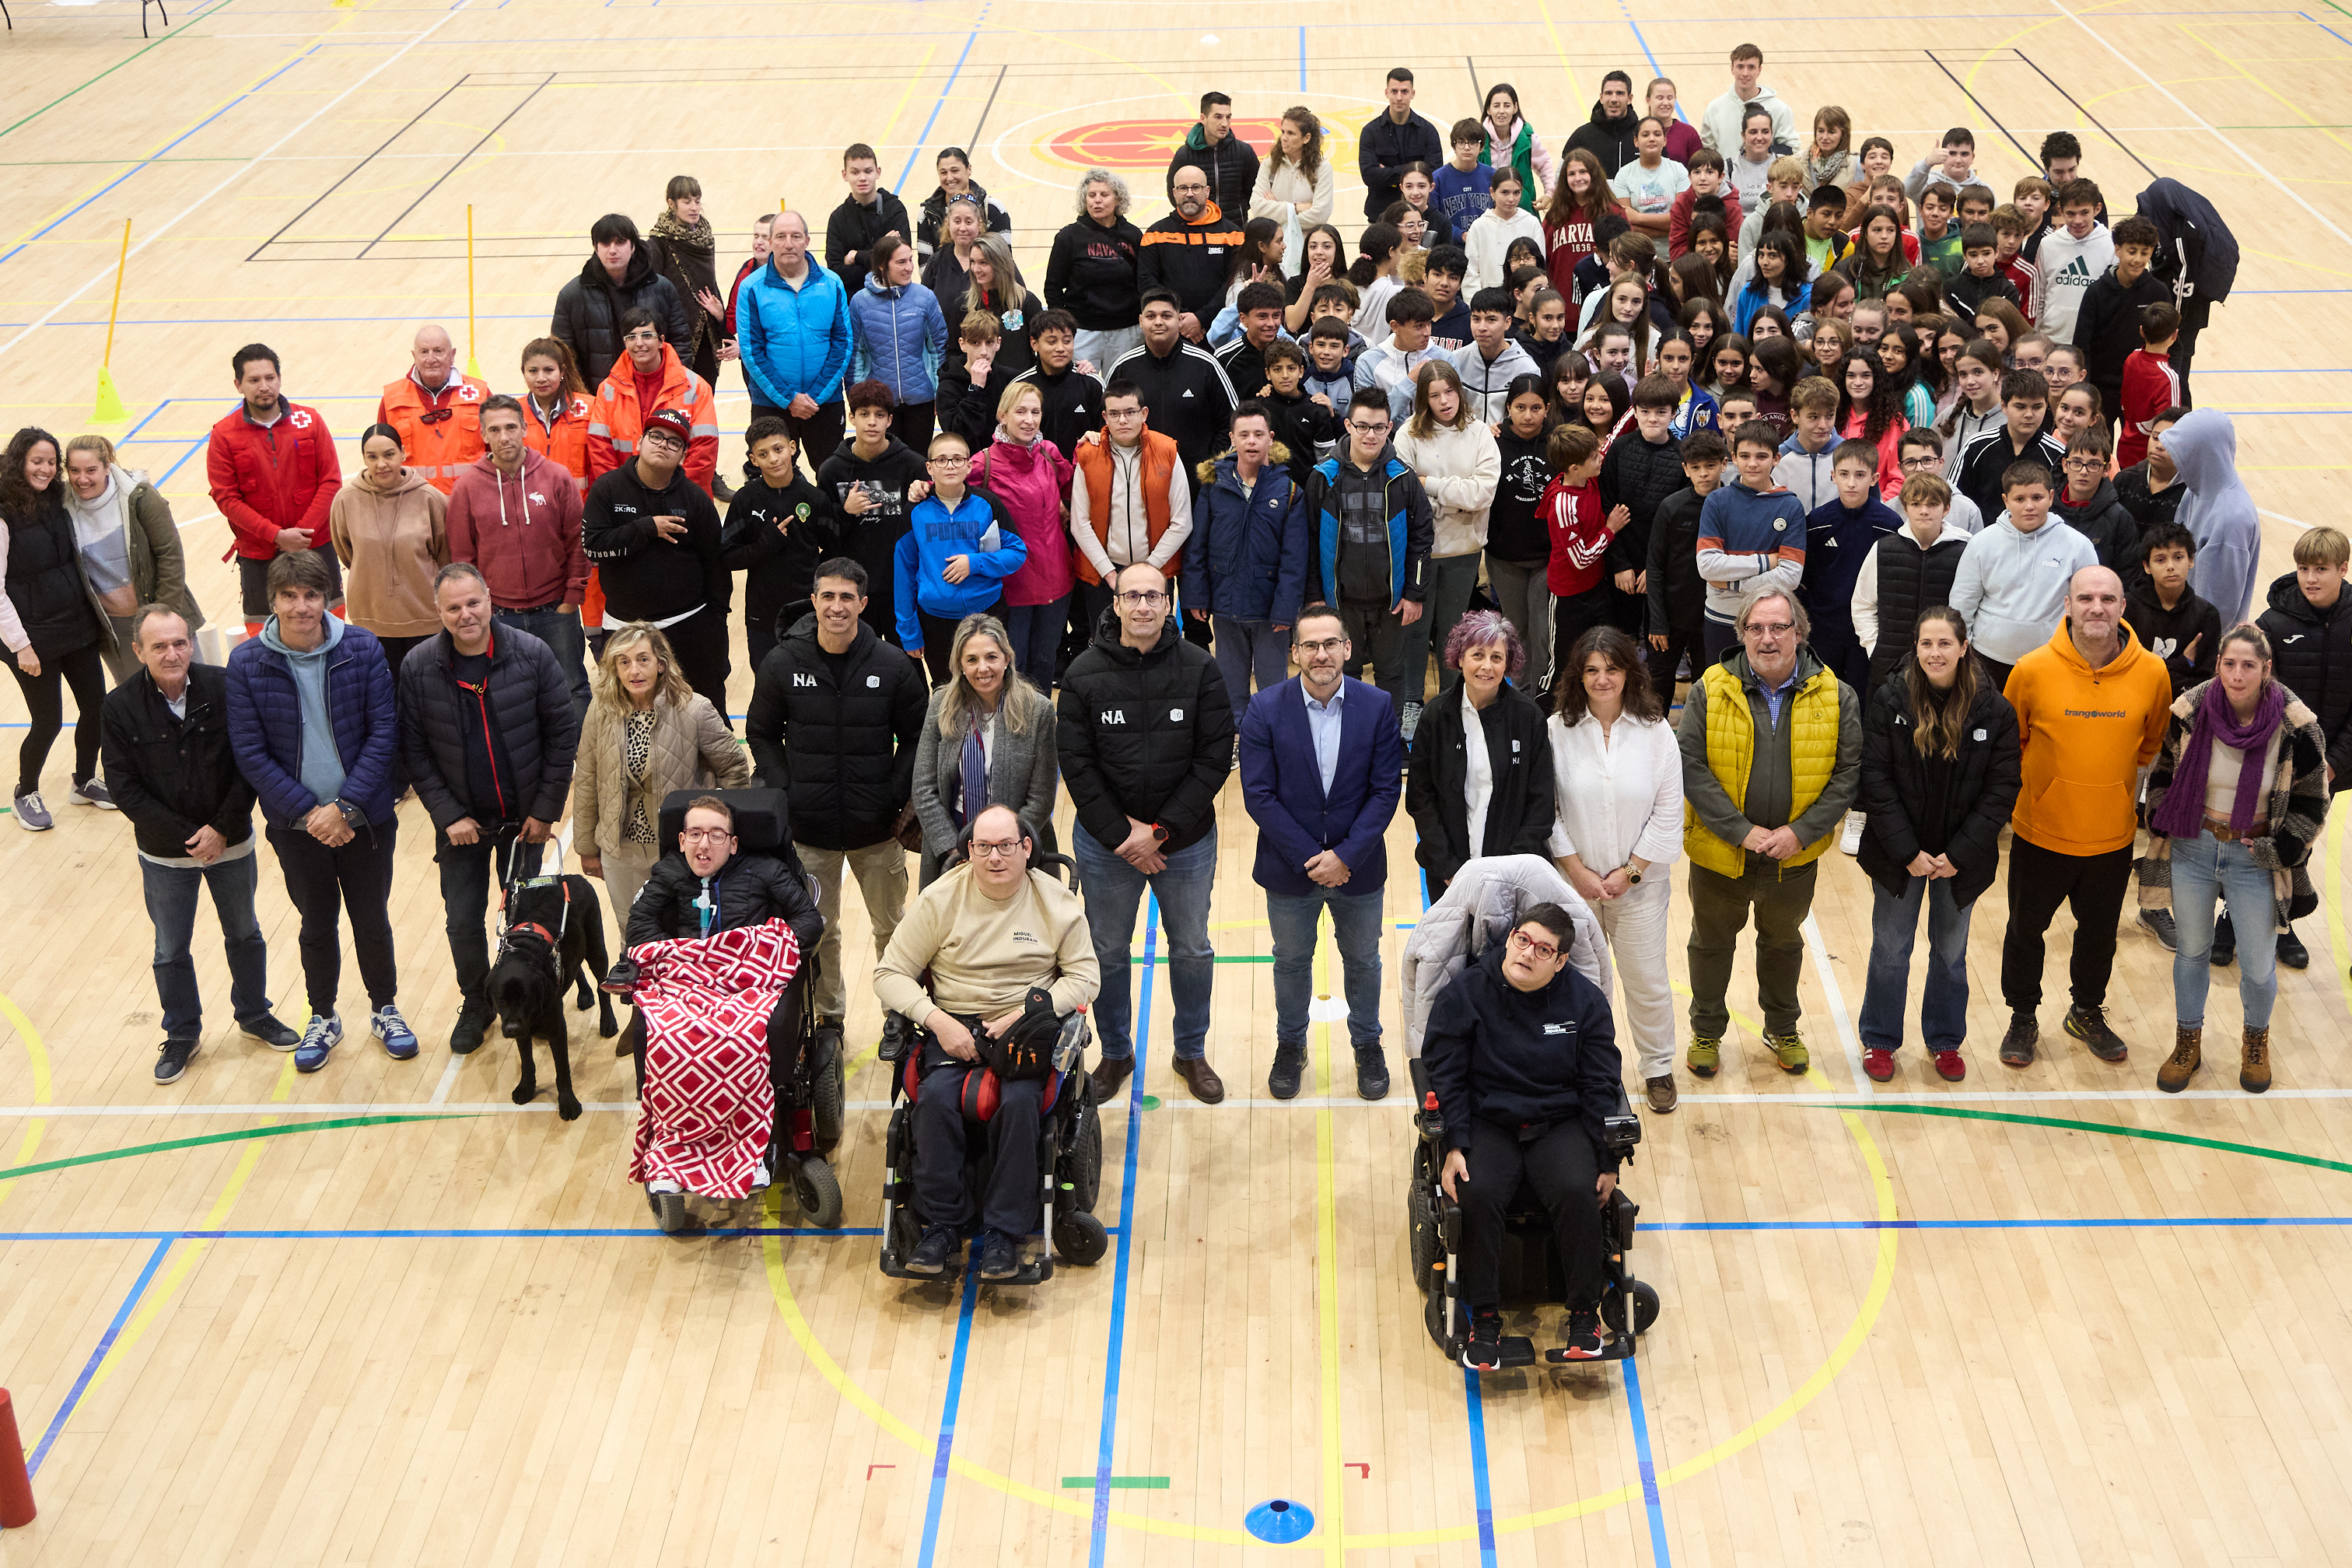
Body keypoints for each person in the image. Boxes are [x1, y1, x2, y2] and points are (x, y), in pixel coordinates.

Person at [874, 803, 1101, 1279]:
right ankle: (941, 1225)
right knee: (934, 1099)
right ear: (969, 851)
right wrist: (937, 1021)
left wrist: (1028, 1011)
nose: (994, 857)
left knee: (1021, 1103)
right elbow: (890, 973)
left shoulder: (1055, 902)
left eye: (1005, 846)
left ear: (1026, 848)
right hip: (954, 1021)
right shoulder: (941, 900)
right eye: (983, 847)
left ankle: (1004, 1233)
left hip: (1027, 1026)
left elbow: (1084, 977)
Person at [223, 550, 406, 1072]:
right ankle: (323, 1015)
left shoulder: (363, 647)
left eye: (311, 595)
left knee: (372, 919)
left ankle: (384, 1008)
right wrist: (311, 814)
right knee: (316, 924)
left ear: (328, 598)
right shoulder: (246, 663)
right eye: (289, 596)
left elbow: (383, 733)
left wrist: (345, 808)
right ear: (272, 600)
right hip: (295, 826)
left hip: (365, 819)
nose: (302, 607)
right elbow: (251, 753)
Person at [1059, 562, 1234, 1104]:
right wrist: (1123, 835)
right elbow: (1076, 763)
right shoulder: (1083, 673)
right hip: (1106, 844)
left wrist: (1158, 831)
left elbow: (1213, 758)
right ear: (1115, 604)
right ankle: (1116, 1053)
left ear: (1168, 603)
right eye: (1131, 596)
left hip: (1183, 842)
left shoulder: (1201, 668)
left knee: (1192, 950)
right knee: (1107, 952)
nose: (1141, 606)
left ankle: (1190, 1051)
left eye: (1152, 597)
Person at [102, 604, 299, 1083]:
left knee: (245, 933)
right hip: (165, 856)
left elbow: (250, 762)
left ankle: (254, 1015)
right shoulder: (119, 706)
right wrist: (188, 837)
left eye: (180, 642)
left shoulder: (226, 688)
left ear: (191, 642)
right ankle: (182, 1034)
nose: (173, 654)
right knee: (171, 948)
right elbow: (124, 787)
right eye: (160, 646)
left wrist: (222, 828)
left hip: (229, 843)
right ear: (138, 651)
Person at [743, 556, 926, 1063]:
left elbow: (917, 734)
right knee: (819, 930)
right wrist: (787, 789)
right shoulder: (783, 663)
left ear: (864, 604)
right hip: (809, 831)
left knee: (893, 929)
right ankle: (830, 1019)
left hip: (878, 830)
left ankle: (899, 1016)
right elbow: (760, 731)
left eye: (848, 597)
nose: (837, 606)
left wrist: (892, 792)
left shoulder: (891, 666)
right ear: (815, 600)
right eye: (828, 596)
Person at [1426, 899, 1623, 1368]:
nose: (1527, 953)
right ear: (1510, 937)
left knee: (1581, 1189)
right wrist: (1453, 1144)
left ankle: (1583, 1316)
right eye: (1522, 940)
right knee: (1477, 1191)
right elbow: (1445, 1076)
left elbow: (1600, 1083)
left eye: (1543, 949)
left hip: (1559, 1121)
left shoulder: (1585, 1002)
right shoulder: (1466, 994)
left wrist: (1607, 1159)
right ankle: (1485, 1318)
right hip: (1487, 1121)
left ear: (1560, 962)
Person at [1678, 586, 1861, 1078]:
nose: (1767, 638)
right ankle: (1707, 1030)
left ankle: (1782, 1028)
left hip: (1793, 857)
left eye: (1779, 627)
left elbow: (1848, 774)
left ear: (1799, 634)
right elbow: (1691, 765)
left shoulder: (1836, 694)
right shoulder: (1710, 688)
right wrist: (1741, 831)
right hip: (1721, 851)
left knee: (1783, 943)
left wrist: (1801, 834)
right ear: (1740, 634)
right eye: (1755, 628)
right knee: (1710, 943)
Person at [397, 562, 579, 1054]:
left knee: (528, 918)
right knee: (462, 921)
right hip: (461, 828)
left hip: (526, 825)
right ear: (439, 612)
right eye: (453, 608)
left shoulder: (532, 654)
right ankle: (477, 1003)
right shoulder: (417, 667)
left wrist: (544, 811)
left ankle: (532, 996)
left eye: (472, 603)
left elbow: (563, 736)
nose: (465, 615)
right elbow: (413, 751)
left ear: (490, 599)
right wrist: (448, 815)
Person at [1996, 565, 2172, 1066]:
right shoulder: (2030, 670)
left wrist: (2109, 786)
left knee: (2098, 934)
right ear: (2068, 606)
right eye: (2086, 598)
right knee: (2025, 931)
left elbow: (2150, 743)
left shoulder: (2153, 673)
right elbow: (2014, 742)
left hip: (2111, 836)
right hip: (2041, 831)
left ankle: (2087, 1011)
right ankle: (2023, 1017)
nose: (2097, 608)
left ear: (2123, 607)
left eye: (2108, 599)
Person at [2144, 625, 2328, 1096]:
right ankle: (2188, 1043)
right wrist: (2161, 814)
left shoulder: (2297, 723)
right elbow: (2162, 770)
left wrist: (2283, 849)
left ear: (2267, 669)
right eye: (2230, 664)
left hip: (2257, 856)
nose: (2238, 675)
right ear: (2219, 664)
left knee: (2259, 963)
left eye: (2249, 666)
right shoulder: (2190, 709)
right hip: (2195, 847)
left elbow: (2312, 799)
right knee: (2191, 952)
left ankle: (2255, 1043)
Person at [1235, 600, 1402, 1100]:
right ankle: (1291, 1047)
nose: (1322, 654)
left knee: (1364, 962)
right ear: (1294, 652)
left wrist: (1346, 855)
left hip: (1359, 868)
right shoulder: (1265, 708)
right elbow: (1258, 794)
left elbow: (1386, 791)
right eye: (1311, 645)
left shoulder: (1378, 706)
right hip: (1291, 870)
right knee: (1290, 962)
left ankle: (1368, 1045)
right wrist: (1313, 858)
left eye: (1331, 643)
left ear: (1348, 649)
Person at [622, 792, 826, 1184]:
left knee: (745, 1034)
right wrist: (688, 957)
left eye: (716, 835)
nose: (704, 844)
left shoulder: (765, 870)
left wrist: (757, 952)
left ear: (733, 844)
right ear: (681, 841)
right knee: (663, 1033)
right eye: (695, 834)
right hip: (685, 986)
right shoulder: (667, 874)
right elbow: (639, 929)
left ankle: (755, 1143)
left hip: (748, 986)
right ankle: (672, 1145)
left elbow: (808, 920)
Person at [1854, 607, 2021, 1082]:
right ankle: (1881, 1040)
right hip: (1897, 855)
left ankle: (1945, 1039)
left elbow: (2002, 789)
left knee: (1950, 951)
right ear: (1915, 648)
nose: (1935, 652)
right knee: (1890, 948)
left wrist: (1959, 854)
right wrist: (1907, 852)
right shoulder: (1890, 699)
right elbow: (1876, 778)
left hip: (1959, 860)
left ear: (1964, 647)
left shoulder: (1995, 709)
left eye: (1945, 643)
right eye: (1926, 643)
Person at [1547, 625, 1682, 1111]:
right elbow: (1549, 808)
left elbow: (1669, 811)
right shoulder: (1556, 730)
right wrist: (1577, 872)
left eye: (1612, 669)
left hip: (1640, 888)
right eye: (1592, 670)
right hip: (1573, 884)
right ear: (1578, 676)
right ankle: (1583, 1071)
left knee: (1646, 980)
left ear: (1630, 672)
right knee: (1577, 985)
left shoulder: (1657, 732)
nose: (1603, 680)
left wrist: (1630, 872)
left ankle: (1658, 1068)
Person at [572, 621, 749, 947]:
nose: (634, 670)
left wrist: (722, 834)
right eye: (624, 662)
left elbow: (735, 769)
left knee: (686, 934)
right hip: (620, 848)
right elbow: (587, 776)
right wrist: (586, 846)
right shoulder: (601, 710)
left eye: (643, 659)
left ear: (661, 664)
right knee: (633, 934)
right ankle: (642, 1000)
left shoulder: (696, 709)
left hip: (680, 849)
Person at [446, 394, 591, 722]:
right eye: (494, 430)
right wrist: (485, 609)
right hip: (499, 618)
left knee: (572, 690)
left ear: (525, 428)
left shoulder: (557, 477)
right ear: (483, 435)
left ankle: (587, 771)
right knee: (509, 698)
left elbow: (577, 542)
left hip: (556, 611)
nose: (504, 437)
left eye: (511, 427)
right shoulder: (467, 488)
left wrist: (571, 597)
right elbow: (462, 560)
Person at [582, 408, 730, 713]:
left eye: (674, 442)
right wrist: (646, 528)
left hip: (689, 626)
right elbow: (593, 547)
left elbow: (717, 564)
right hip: (624, 629)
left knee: (705, 714)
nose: (663, 444)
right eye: (656, 436)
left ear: (683, 456)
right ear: (640, 442)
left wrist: (716, 621)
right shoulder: (608, 489)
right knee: (629, 716)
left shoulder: (695, 499)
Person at [2, 428, 113, 827]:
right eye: (37, 461)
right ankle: (25, 791)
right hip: (30, 637)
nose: (46, 469)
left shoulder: (55, 499)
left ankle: (84, 781)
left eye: (52, 462)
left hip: (73, 625)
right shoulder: (2, 513)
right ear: (19, 462)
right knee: (47, 720)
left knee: (97, 708)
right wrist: (21, 646)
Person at [1304, 387, 1433, 717]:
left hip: (1391, 601)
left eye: (1378, 427)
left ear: (1390, 428)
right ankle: (1351, 736)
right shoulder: (1323, 478)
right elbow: (1309, 539)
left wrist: (1415, 594)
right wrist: (1316, 595)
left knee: (1391, 673)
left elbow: (1422, 537)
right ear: (1348, 426)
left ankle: (1387, 738)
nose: (1370, 435)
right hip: (1340, 601)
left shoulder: (1402, 477)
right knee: (1346, 674)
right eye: (1362, 426)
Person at [1407, 611, 1556, 898]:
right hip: (1448, 877)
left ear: (1508, 663)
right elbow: (1420, 799)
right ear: (1459, 658)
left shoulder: (1528, 718)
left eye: (1497, 657)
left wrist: (1509, 872)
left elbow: (1541, 804)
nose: (1487, 666)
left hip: (1515, 878)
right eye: (1478, 655)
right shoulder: (1436, 716)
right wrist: (1450, 870)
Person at [911, 613, 1059, 887]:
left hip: (1018, 849)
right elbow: (923, 788)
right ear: (960, 666)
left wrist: (1003, 849)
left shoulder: (1038, 710)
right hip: (953, 847)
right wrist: (953, 849)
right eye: (972, 660)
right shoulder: (941, 704)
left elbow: (1041, 798)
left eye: (991, 657)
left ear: (1007, 658)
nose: (983, 668)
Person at [208, 342, 341, 639]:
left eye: (270, 378)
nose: (264, 387)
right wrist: (276, 536)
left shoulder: (310, 421)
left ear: (279, 378)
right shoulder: (224, 434)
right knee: (262, 632)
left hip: (315, 544)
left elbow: (331, 481)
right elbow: (226, 498)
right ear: (238, 385)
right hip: (259, 553)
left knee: (331, 623)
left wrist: (302, 533)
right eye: (254, 380)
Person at [1394, 361, 1500, 714]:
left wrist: (1433, 485)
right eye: (1435, 395)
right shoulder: (1407, 434)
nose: (1444, 401)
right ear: (1424, 400)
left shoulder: (1479, 433)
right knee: (1413, 631)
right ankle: (1411, 703)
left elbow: (1482, 494)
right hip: (1420, 552)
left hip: (1464, 549)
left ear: (1460, 391)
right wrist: (1454, 499)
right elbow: (1407, 495)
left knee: (1454, 634)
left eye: (1450, 392)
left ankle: (1453, 705)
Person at [1187, 401, 1308, 702]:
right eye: (1244, 435)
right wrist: (1197, 595)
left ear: (1271, 437)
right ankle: (1233, 740)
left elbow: (1295, 559)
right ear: (1232, 438)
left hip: (1269, 610)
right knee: (1230, 688)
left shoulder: (1289, 491)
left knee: (1272, 690)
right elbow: (1197, 546)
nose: (1251, 441)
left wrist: (1286, 609)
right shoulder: (1213, 486)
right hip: (1225, 605)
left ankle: (1270, 742)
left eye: (1258, 434)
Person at [60, 434, 203, 684]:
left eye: (91, 470)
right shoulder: (63, 507)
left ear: (107, 467)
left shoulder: (140, 498)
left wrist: (162, 615)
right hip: (115, 630)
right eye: (74, 471)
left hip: (163, 613)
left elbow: (170, 555)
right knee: (139, 706)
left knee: (195, 691)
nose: (82, 479)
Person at [1948, 460, 2095, 693]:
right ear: (2006, 501)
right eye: (2020, 499)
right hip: (1987, 660)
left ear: (2050, 496)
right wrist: (1962, 655)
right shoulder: (1982, 543)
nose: (2029, 506)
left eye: (2037, 498)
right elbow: (1962, 603)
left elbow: (2089, 604)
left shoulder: (2077, 545)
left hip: (2052, 660)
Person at [896, 428, 1026, 681]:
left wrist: (975, 563)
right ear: (930, 468)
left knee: (992, 682)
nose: (950, 466)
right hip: (936, 620)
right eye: (941, 460)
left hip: (987, 612)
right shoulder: (915, 511)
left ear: (969, 466)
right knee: (947, 689)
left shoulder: (988, 504)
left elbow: (1017, 553)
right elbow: (904, 572)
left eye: (958, 459)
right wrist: (909, 631)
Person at [971, 382, 1078, 689]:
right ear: (1002, 415)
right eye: (1021, 411)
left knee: (1045, 663)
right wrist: (921, 488)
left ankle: (1041, 729)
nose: (1029, 420)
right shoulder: (984, 463)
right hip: (1011, 585)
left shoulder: (1050, 453)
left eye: (1035, 412)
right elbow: (947, 489)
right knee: (1011, 665)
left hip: (1057, 580)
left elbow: (1078, 488)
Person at [1071, 379, 1192, 641]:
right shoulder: (1088, 455)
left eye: (1130, 413)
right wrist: (1109, 573)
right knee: (1106, 646)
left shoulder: (1167, 450)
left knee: (1157, 644)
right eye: (1114, 414)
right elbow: (1079, 523)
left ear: (1144, 413)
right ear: (1104, 417)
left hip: (1155, 569)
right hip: (1104, 574)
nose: (1122, 420)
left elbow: (1182, 520)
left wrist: (1149, 568)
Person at [329, 423, 449, 686]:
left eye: (389, 454)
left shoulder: (430, 498)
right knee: (384, 700)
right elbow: (347, 552)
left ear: (403, 453)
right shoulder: (346, 500)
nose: (381, 464)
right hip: (371, 623)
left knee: (429, 697)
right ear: (363, 459)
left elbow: (445, 556)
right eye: (372, 457)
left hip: (425, 621)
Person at [737, 211, 854, 475]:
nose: (788, 243)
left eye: (795, 236)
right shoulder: (751, 287)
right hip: (772, 404)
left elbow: (843, 343)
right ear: (771, 242)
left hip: (823, 403)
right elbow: (752, 352)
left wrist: (815, 397)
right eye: (780, 236)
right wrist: (789, 399)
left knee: (832, 476)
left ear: (807, 241)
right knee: (773, 478)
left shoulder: (832, 283)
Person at [722, 417, 837, 677]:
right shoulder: (745, 500)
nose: (773, 459)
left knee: (813, 681)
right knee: (767, 681)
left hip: (809, 610)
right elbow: (727, 557)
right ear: (753, 460)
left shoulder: (815, 498)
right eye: (763, 454)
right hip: (763, 614)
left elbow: (833, 551)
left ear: (793, 447)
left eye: (778, 449)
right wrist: (765, 545)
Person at [1694, 419, 1806, 665]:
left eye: (1761, 456)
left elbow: (1790, 576)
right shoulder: (1716, 501)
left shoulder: (1791, 506)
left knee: (1768, 694)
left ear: (1776, 459)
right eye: (1745, 456)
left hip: (1770, 622)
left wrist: (1732, 584)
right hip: (1721, 618)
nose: (1752, 463)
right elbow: (1708, 566)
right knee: (1722, 693)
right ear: (1734, 457)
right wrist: (1767, 561)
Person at [1854, 467, 1970, 699]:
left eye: (1933, 504)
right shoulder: (1883, 548)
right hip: (1888, 665)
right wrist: (1874, 647)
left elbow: (1972, 609)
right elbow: (1862, 604)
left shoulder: (1965, 550)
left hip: (1945, 668)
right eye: (1916, 504)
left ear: (1946, 509)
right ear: (1905, 508)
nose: (1924, 511)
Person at [550, 213, 692, 392]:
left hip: (655, 395)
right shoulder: (571, 295)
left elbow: (681, 343)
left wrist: (670, 388)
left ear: (633, 246)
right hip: (598, 399)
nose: (612, 250)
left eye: (620, 242)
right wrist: (584, 396)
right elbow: (564, 354)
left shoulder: (662, 288)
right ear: (595, 247)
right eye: (605, 244)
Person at [585, 310, 722, 495]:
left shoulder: (696, 387)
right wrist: (621, 494)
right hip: (626, 499)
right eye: (631, 337)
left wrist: (676, 495)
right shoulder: (607, 389)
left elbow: (704, 451)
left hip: (682, 497)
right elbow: (600, 449)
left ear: (661, 340)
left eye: (647, 335)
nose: (639, 343)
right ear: (625, 342)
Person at [1108, 289, 1240, 475]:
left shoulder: (1206, 365)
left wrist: (1210, 468)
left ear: (1179, 320)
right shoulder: (1123, 368)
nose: (1158, 322)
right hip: (1136, 480)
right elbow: (1104, 424)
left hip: (1197, 483)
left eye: (1166, 315)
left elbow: (1232, 422)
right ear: (1140, 321)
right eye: (1151, 316)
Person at [1647, 426, 1727, 709]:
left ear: (1724, 465)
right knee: (1659, 680)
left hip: (1714, 616)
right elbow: (1654, 567)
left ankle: (1702, 742)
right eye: (1696, 467)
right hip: (1671, 615)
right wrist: (1657, 622)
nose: (1704, 473)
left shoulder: (1732, 506)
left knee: (1709, 683)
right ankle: (1654, 741)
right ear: (1685, 469)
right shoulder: (1671, 507)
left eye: (1710, 466)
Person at [847, 233, 951, 450]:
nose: (909, 268)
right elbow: (856, 355)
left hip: (921, 401)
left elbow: (938, 349)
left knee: (918, 464)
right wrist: (856, 398)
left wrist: (939, 392)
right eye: (901, 262)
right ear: (883, 266)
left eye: (911, 260)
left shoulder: (925, 297)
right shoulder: (860, 302)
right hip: (879, 404)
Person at [2165, 408, 2260, 627]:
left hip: (2203, 644)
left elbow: (2216, 612)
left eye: (2183, 451)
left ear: (2201, 453)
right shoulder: (2194, 491)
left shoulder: (2230, 520)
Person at [1045, 169, 1146, 374]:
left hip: (1126, 331)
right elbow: (1053, 287)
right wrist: (1065, 327)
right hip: (1083, 332)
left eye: (1104, 195)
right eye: (1092, 196)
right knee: (1083, 392)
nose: (1097, 201)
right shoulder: (1069, 236)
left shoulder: (1133, 235)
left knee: (1121, 392)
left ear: (1117, 199)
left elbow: (1143, 282)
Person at [376, 325, 488, 495]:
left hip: (469, 502)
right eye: (424, 352)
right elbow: (380, 455)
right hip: (411, 505)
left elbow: (496, 452)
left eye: (438, 351)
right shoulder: (392, 399)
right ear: (414, 356)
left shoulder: (479, 395)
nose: (431, 359)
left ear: (452, 355)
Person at [645, 175, 727, 387]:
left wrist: (720, 316)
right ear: (672, 204)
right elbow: (653, 294)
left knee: (705, 397)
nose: (694, 208)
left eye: (697, 201)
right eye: (687, 202)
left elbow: (711, 281)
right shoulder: (658, 243)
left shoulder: (706, 237)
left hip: (708, 336)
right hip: (678, 335)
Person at [825, 142, 914, 298]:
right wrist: (883, 255)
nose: (862, 178)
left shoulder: (895, 209)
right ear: (845, 175)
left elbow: (900, 261)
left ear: (877, 172)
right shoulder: (837, 218)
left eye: (868, 171)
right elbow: (837, 273)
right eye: (855, 172)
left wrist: (856, 256)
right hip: (853, 301)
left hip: (895, 297)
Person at [1360, 67, 1444, 221]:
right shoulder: (1370, 132)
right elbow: (1369, 176)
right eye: (1394, 91)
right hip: (1380, 215)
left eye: (1404, 91)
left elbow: (1434, 172)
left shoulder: (1428, 131)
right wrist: (1414, 170)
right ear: (1386, 93)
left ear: (1413, 94)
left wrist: (1388, 173)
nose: (1399, 97)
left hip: (1422, 217)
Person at [1167, 89, 1260, 220]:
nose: (1224, 123)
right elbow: (1174, 193)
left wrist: (1239, 209)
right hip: (1196, 228)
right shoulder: (1184, 155)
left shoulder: (1244, 152)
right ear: (1203, 119)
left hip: (1234, 228)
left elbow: (1255, 191)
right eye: (1218, 117)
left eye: (1228, 117)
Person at [916, 147, 1013, 265]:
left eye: (955, 171)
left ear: (969, 169)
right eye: (943, 172)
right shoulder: (926, 213)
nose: (949, 178)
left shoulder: (994, 208)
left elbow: (1005, 261)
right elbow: (924, 267)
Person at [1700, 43, 1797, 158]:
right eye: (1740, 67)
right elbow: (1707, 151)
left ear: (1759, 70)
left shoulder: (1780, 110)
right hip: (1726, 175)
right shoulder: (1714, 109)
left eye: (1751, 67)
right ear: (1732, 69)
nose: (1745, 73)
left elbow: (1791, 148)